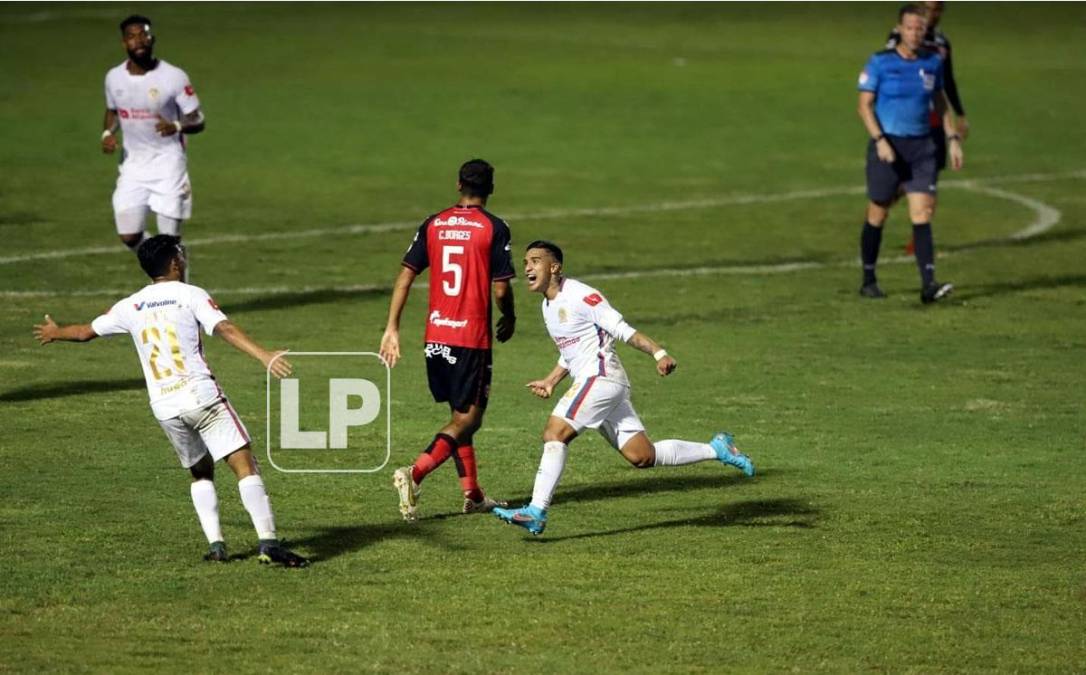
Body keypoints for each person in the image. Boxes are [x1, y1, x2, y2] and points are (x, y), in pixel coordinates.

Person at [32, 235, 307, 567]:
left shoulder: (130, 305)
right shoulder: (191, 295)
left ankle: (217, 546)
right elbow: (225, 328)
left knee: (201, 472)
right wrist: (265, 355)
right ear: (175, 263)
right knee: (245, 466)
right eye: (181, 253)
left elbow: (84, 333)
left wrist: (54, 332)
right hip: (201, 398)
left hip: (165, 407)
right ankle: (269, 544)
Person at [492, 241, 755, 536]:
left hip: (600, 378)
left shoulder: (582, 295)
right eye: (526, 261)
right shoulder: (547, 305)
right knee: (642, 455)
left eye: (535, 261)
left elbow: (621, 328)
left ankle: (536, 511)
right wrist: (552, 380)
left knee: (555, 433)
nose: (527, 267)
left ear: (554, 267)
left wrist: (658, 352)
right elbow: (572, 351)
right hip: (599, 383)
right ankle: (717, 448)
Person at [379, 159, 517, 522]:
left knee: (457, 416)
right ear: (491, 189)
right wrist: (511, 316)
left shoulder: (434, 223)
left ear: (458, 185)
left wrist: (392, 327)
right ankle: (414, 473)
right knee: (469, 420)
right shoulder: (494, 227)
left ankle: (472, 494)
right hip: (470, 338)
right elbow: (501, 288)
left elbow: (405, 276)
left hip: (435, 335)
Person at [857, 3, 964, 304]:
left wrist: (952, 136)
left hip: (922, 148)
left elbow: (939, 100)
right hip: (888, 145)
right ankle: (868, 277)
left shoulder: (932, 62)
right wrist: (879, 139)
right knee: (878, 212)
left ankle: (929, 285)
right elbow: (863, 105)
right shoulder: (880, 62)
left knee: (922, 213)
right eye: (910, 28)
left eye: (920, 28)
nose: (916, 33)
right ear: (900, 30)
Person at [102, 15, 205, 259]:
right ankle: (163, 267)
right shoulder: (113, 77)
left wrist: (177, 125)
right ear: (123, 43)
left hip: (168, 165)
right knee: (129, 235)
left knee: (169, 242)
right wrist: (107, 133)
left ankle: (176, 288)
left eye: (143, 34)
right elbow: (113, 111)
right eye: (131, 36)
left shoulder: (173, 76)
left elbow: (198, 119)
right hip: (133, 167)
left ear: (152, 38)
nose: (138, 41)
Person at [886, 1, 969, 254]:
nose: (931, 14)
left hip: (935, 125)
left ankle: (918, 238)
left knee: (929, 179)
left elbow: (948, 81)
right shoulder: (902, 36)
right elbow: (890, 70)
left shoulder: (942, 44)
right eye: (927, 8)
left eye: (936, 9)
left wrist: (960, 114)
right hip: (906, 122)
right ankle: (883, 202)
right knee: (897, 181)